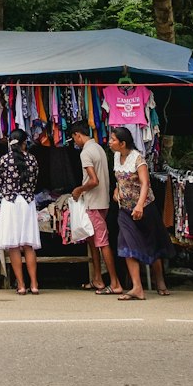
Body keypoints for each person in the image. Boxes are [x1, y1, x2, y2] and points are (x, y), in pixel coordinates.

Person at [108, 125, 172, 301]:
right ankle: (137, 287)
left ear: (122, 143)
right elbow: (118, 180)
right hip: (124, 209)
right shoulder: (116, 156)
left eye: (113, 140)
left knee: (151, 243)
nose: (110, 142)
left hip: (144, 208)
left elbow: (145, 183)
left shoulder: (138, 159)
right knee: (127, 244)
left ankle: (160, 280)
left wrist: (140, 206)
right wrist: (116, 191)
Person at [70, 118, 118, 296]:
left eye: (74, 138)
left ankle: (114, 283)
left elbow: (93, 180)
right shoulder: (99, 148)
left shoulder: (85, 153)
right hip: (102, 200)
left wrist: (78, 190)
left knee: (101, 242)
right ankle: (97, 278)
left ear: (77, 135)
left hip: (93, 202)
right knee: (93, 240)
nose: (74, 142)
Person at [0, 128, 41, 295]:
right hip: (27, 203)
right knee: (28, 245)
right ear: (24, 143)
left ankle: (21, 286)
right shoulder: (32, 160)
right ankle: (34, 284)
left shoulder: (3, 160)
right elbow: (35, 182)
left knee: (13, 246)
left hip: (10, 203)